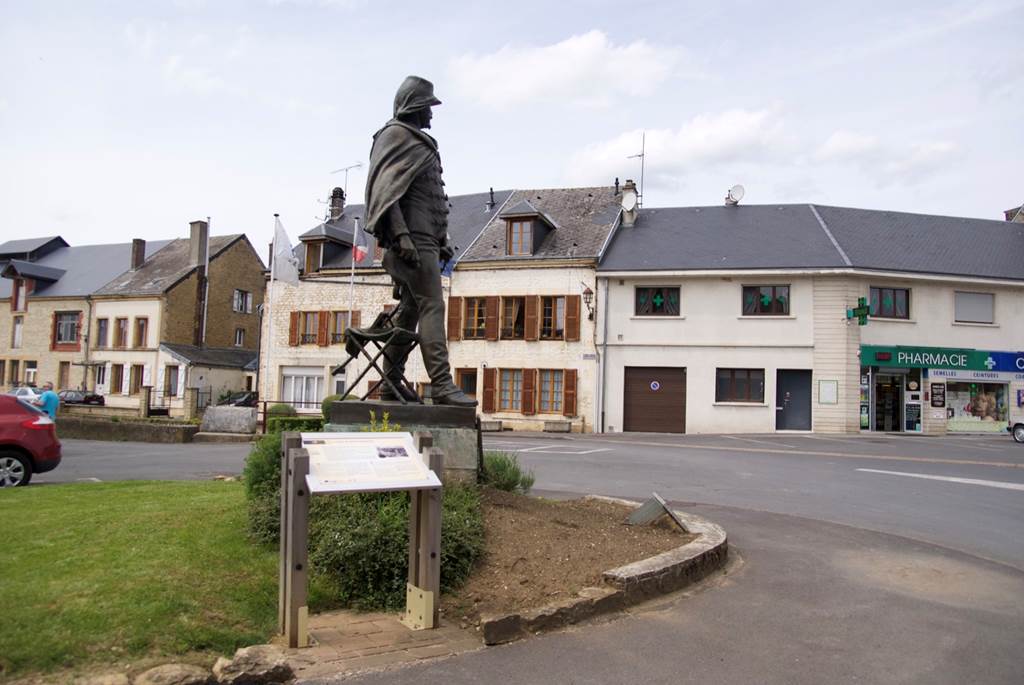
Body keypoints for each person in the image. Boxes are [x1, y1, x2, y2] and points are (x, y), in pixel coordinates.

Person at [362, 75, 476, 407]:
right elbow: (387, 195)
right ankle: (441, 384)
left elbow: (426, 197)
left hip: (425, 240)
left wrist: (440, 239)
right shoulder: (395, 135)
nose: (432, 114)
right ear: (414, 105)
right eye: (429, 106)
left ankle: (390, 382)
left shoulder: (416, 141)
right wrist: (401, 236)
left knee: (411, 310)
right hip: (411, 242)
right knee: (432, 305)